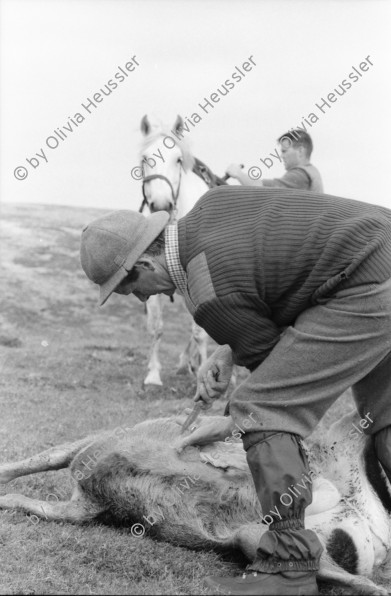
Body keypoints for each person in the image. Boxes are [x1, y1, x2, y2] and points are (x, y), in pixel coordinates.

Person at [80, 186, 391, 596]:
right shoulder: (212, 206)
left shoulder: (207, 293)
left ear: (146, 262)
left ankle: (291, 568)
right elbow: (282, 282)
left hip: (368, 285)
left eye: (131, 288)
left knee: (262, 411)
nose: (142, 298)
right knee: (383, 411)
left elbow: (273, 381)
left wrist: (231, 418)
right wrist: (230, 351)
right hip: (377, 258)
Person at [226, 130, 324, 192]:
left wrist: (238, 173)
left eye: (284, 151)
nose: (281, 156)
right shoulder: (312, 172)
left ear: (300, 151)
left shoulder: (300, 175)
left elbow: (258, 188)